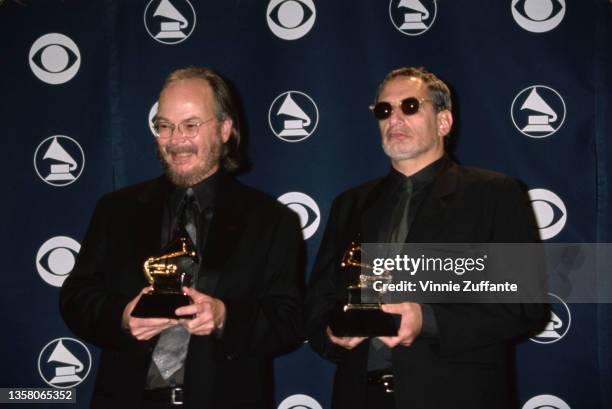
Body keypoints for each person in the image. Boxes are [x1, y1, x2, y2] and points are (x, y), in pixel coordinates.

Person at [60, 67, 304, 409]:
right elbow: (76, 297)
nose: (176, 140)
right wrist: (122, 316)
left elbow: (289, 320)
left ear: (224, 129)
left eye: (191, 125)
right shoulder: (116, 210)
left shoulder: (270, 219)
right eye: (164, 126)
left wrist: (223, 317)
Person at [305, 67, 547, 409]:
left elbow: (524, 306)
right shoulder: (351, 203)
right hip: (359, 396)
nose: (395, 119)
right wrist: (331, 334)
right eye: (384, 110)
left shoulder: (493, 194)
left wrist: (428, 320)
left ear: (443, 122)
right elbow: (319, 301)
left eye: (410, 106)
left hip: (455, 396)